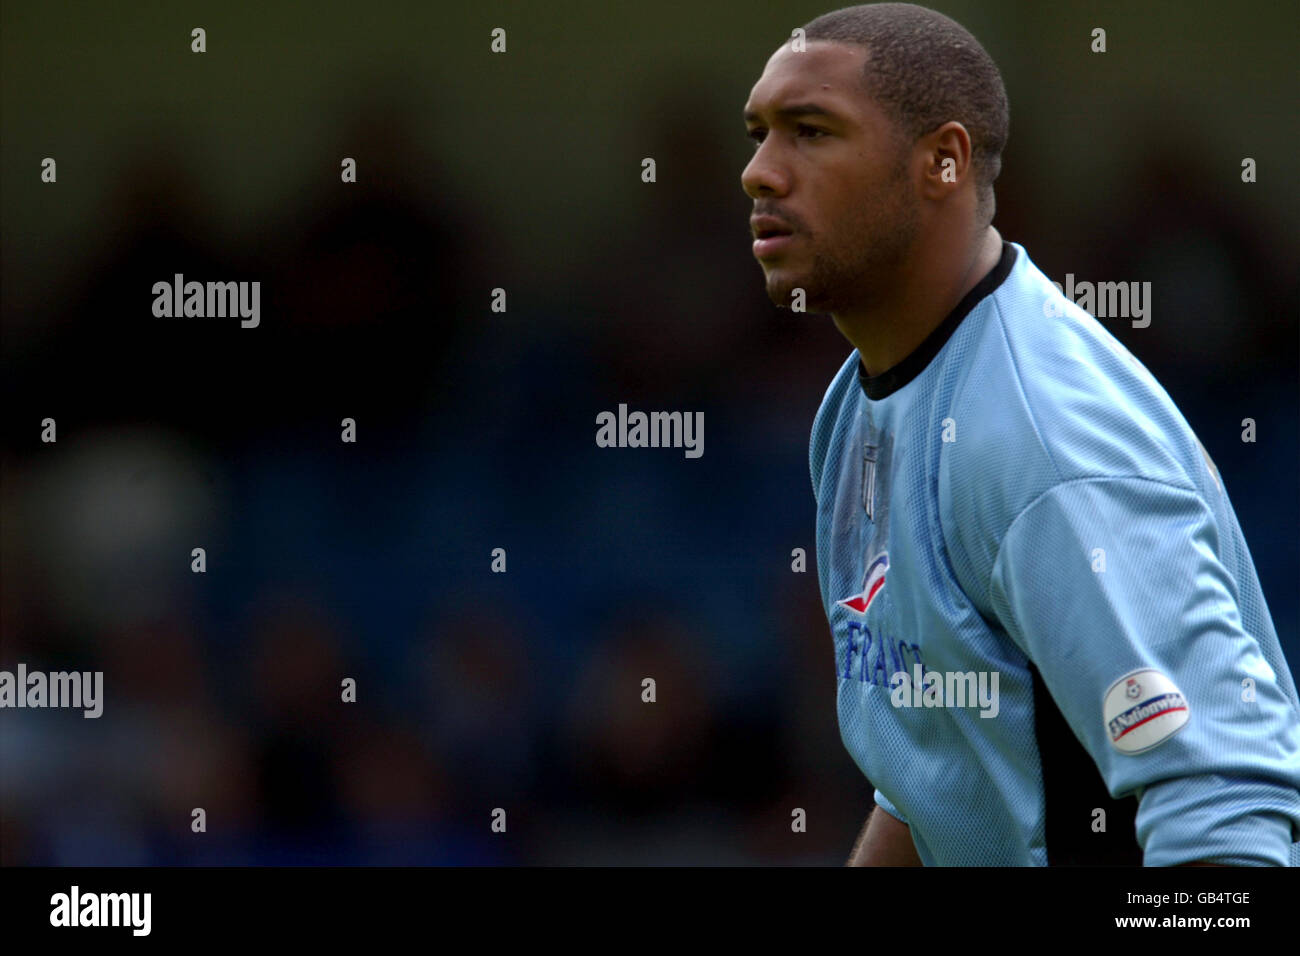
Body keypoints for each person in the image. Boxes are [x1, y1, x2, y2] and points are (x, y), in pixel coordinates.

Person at [740, 2, 1300, 865]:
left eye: (810, 132)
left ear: (943, 161)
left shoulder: (1046, 443)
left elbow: (1227, 815)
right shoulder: (858, 403)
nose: (760, 173)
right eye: (759, 134)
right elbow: (940, 764)